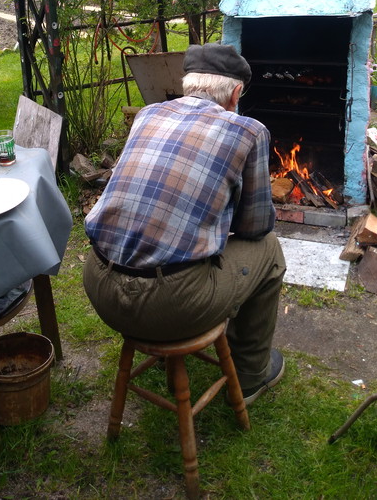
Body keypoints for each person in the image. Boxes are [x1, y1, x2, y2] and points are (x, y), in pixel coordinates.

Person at [83, 42, 286, 405]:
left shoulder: (147, 114)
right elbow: (255, 227)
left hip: (100, 285)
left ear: (188, 83)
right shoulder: (249, 131)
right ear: (236, 92)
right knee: (269, 251)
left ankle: (162, 331)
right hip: (172, 305)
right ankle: (252, 374)